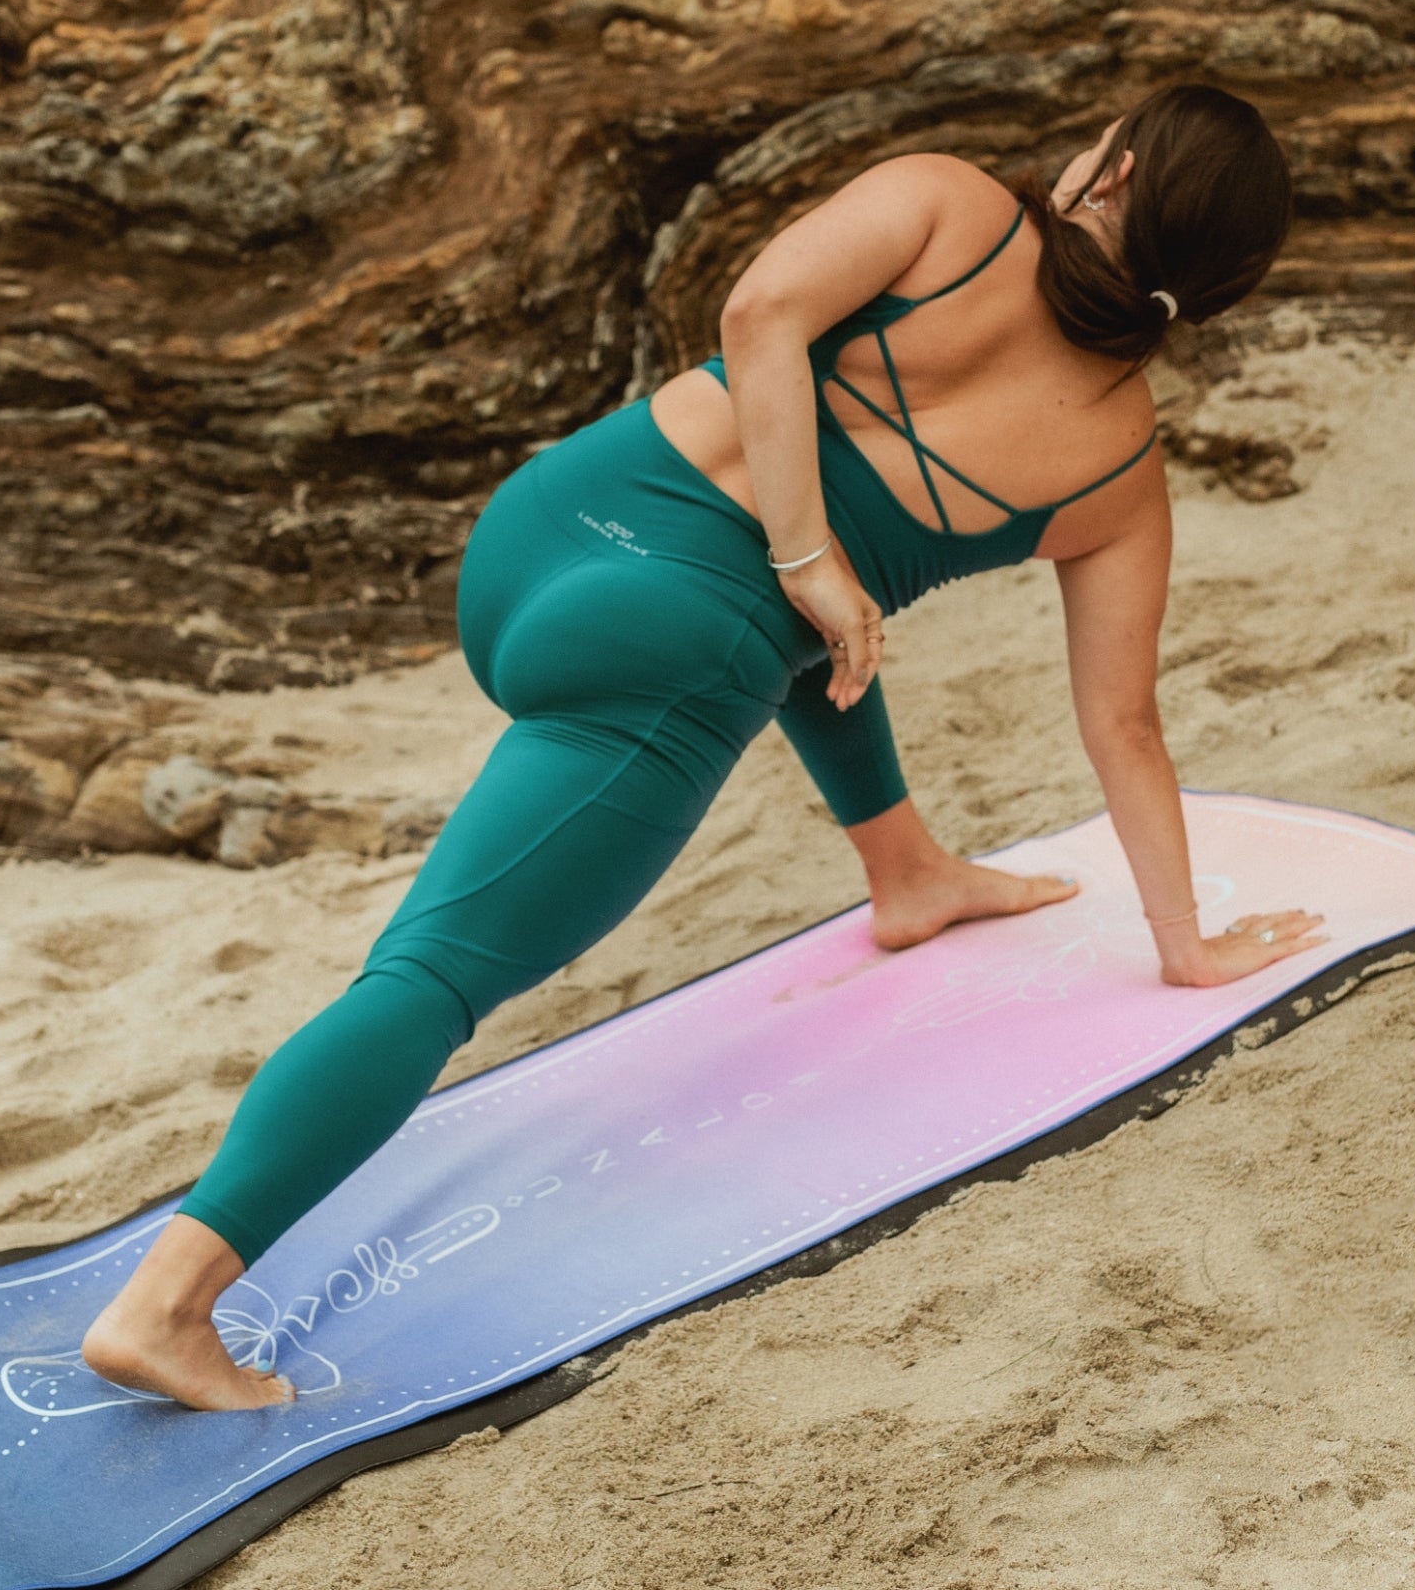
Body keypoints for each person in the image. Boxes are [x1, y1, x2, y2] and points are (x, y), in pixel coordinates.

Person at [84, 81, 1328, 1410]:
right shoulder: (1116, 468)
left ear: (1116, 163)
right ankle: (166, 1308)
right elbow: (1120, 724)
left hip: (544, 529)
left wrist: (811, 561)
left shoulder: (949, 202)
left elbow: (759, 314)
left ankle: (906, 872)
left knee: (819, 621)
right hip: (656, 657)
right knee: (435, 977)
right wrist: (1183, 939)